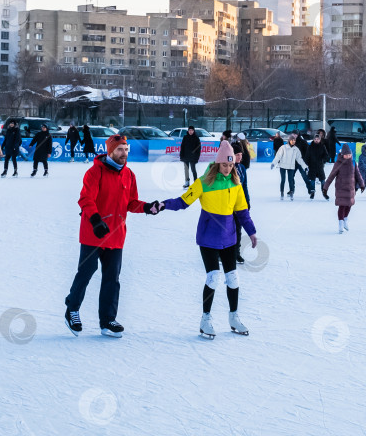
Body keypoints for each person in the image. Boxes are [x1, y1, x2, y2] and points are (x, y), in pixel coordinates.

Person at [64, 134, 162, 337]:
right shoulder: (94, 172)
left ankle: (107, 320)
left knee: (112, 278)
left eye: (126, 149)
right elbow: (85, 199)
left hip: (116, 235)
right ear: (110, 151)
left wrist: (146, 207)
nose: (124, 153)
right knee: (86, 272)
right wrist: (96, 221)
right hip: (94, 232)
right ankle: (72, 308)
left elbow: (131, 202)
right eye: (120, 150)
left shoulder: (129, 175)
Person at [162, 141, 258, 339]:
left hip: (229, 238)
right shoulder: (204, 182)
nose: (228, 168)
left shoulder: (235, 182)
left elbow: (242, 212)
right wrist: (163, 205)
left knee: (233, 278)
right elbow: (183, 201)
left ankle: (233, 317)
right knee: (213, 277)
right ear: (218, 163)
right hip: (208, 237)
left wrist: (251, 232)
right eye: (225, 165)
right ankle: (205, 319)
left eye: (231, 165)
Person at [323, 144, 366, 234]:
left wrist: (362, 184)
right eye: (346, 155)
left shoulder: (353, 163)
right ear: (342, 155)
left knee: (349, 205)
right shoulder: (338, 164)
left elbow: (358, 174)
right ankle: (340, 223)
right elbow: (331, 176)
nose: (348, 156)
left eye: (349, 155)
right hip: (341, 188)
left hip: (351, 188)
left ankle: (345, 219)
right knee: (342, 206)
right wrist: (325, 187)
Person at [271, 133, 308, 201]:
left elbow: (299, 159)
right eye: (292, 140)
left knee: (290, 180)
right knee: (283, 180)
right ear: (289, 140)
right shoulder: (283, 147)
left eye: (294, 140)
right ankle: (282, 192)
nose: (294, 141)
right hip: (283, 166)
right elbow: (278, 156)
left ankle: (291, 192)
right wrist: (273, 163)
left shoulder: (296, 149)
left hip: (291, 166)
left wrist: (305, 166)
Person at [230, 141, 250, 264]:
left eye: (241, 155)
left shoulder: (242, 168)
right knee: (226, 229)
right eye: (237, 155)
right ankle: (222, 253)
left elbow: (245, 186)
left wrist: (247, 201)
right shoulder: (227, 167)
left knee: (238, 228)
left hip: (240, 204)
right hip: (229, 204)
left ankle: (236, 253)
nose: (240, 157)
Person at [305, 133, 330, 200]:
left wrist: (323, 160)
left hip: (320, 166)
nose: (316, 140)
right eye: (315, 139)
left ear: (320, 139)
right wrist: (306, 164)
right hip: (312, 166)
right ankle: (312, 193)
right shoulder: (310, 147)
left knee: (322, 180)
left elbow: (326, 156)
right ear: (313, 139)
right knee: (312, 181)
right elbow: (307, 157)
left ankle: (324, 193)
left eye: (318, 139)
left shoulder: (322, 146)